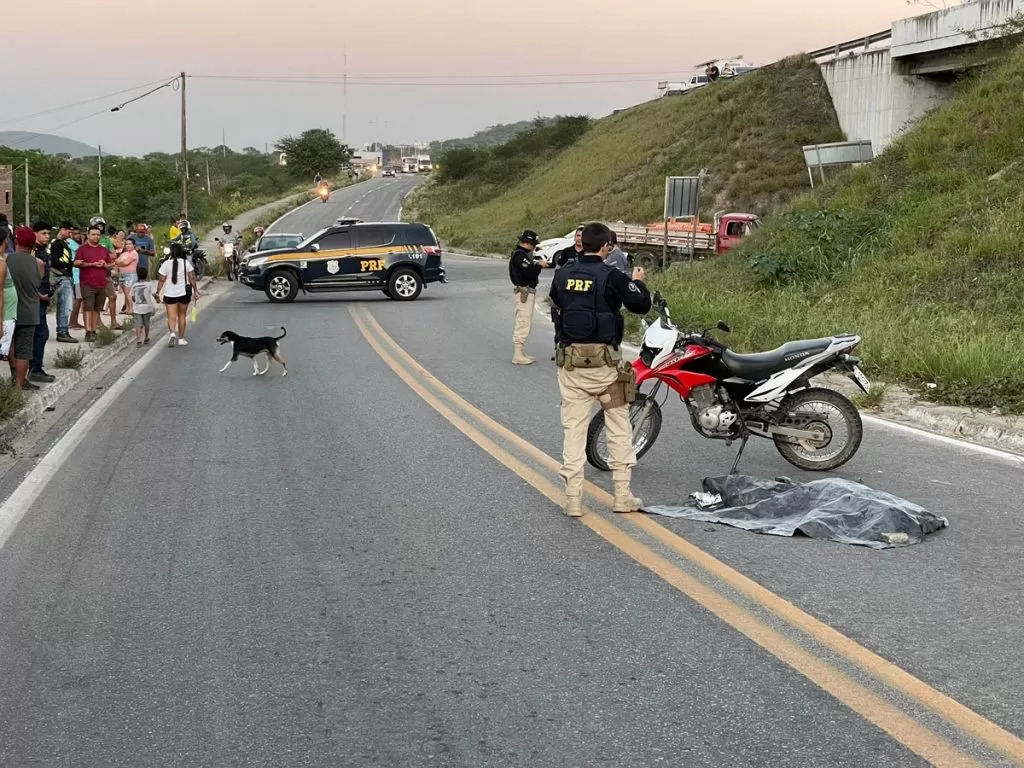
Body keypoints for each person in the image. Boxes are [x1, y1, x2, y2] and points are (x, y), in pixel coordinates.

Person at [549, 221, 652, 518]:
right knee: (619, 429)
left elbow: (558, 306)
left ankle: (573, 500)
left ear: (582, 243)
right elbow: (641, 305)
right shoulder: (613, 276)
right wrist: (639, 280)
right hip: (606, 370)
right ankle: (622, 496)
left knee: (574, 431)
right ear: (607, 246)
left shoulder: (562, 273)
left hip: (571, 367)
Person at [7, 228, 46, 390]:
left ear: (16, 241)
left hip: (9, 310)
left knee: (11, 346)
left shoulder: (6, 259)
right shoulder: (39, 264)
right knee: (24, 351)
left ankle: (14, 376)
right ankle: (19, 385)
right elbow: (37, 283)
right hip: (30, 311)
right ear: (33, 245)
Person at [508, 229, 548, 365]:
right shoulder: (520, 256)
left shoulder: (521, 255)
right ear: (529, 243)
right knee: (523, 322)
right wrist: (539, 266)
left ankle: (521, 352)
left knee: (525, 321)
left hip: (527, 291)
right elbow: (530, 273)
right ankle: (518, 354)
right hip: (524, 292)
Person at [73, 224, 115, 342]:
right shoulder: (82, 249)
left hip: (102, 283)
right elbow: (76, 262)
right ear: (88, 235)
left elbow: (111, 263)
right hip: (87, 283)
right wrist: (91, 264)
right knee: (88, 307)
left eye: (98, 235)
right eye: (93, 234)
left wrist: (105, 265)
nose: (96, 237)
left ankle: (94, 330)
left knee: (97, 308)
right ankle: (88, 331)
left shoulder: (103, 250)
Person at [156, 241, 199, 347]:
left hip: (170, 295)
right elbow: (192, 278)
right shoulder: (186, 263)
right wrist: (195, 290)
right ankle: (181, 338)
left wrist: (157, 291)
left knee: (171, 317)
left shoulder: (165, 264)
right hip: (184, 294)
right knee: (182, 316)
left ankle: (172, 334)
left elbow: (161, 279)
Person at [30, 222, 55, 384]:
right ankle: (35, 369)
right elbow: (30, 280)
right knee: (41, 333)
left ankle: (34, 365)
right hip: (35, 299)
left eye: (48, 233)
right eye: (44, 233)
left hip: (42, 297)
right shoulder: (33, 253)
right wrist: (41, 295)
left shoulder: (41, 251)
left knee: (38, 333)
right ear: (35, 234)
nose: (47, 236)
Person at [49, 221, 78, 344]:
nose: (70, 234)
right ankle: (62, 331)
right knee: (65, 306)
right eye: (68, 231)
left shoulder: (64, 244)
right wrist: (71, 264)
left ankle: (63, 330)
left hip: (67, 276)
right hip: (61, 276)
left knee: (66, 305)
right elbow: (55, 261)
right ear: (62, 229)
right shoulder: (56, 244)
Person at [131, 265, 155, 347]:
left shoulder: (134, 285)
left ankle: (138, 340)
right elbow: (154, 294)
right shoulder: (149, 284)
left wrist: (136, 301)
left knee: (138, 325)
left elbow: (133, 298)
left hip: (137, 308)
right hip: (147, 308)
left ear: (137, 275)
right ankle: (146, 338)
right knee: (146, 323)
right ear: (147, 275)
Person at [116, 237, 139, 315]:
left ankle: (131, 309)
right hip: (122, 275)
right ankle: (127, 308)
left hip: (130, 274)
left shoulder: (134, 253)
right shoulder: (124, 253)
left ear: (134, 245)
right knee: (125, 294)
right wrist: (120, 262)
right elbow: (117, 260)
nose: (128, 246)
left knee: (127, 293)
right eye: (126, 244)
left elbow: (126, 263)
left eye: (130, 244)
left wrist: (120, 263)